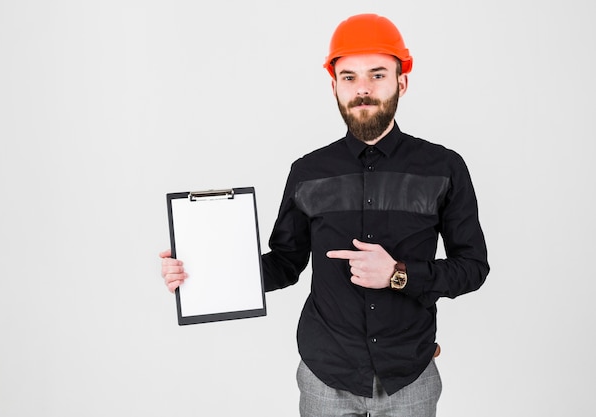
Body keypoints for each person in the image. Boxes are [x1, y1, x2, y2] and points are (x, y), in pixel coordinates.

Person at [160, 13, 489, 417]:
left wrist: (399, 274)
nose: (362, 89)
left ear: (402, 82)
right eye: (348, 77)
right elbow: (284, 263)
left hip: (410, 379)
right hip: (325, 379)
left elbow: (472, 267)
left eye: (377, 75)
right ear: (333, 85)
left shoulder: (444, 168)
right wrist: (202, 276)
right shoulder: (308, 172)